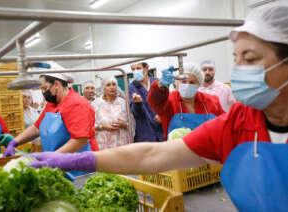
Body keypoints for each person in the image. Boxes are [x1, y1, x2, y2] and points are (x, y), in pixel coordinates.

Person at [28, 2, 288, 211]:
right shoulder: (240, 122)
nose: (239, 68)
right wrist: (80, 160)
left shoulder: (218, 107)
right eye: (236, 57)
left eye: (250, 58)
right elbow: (152, 155)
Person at [3, 65, 99, 175]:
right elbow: (36, 128)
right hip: (56, 165)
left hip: (77, 168)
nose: (42, 92)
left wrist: (52, 159)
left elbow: (79, 140)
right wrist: (15, 142)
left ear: (57, 84)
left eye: (44, 88)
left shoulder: (77, 104)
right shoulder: (52, 103)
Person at [148, 62, 225, 138]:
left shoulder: (212, 101)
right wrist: (161, 85)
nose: (187, 85)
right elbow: (154, 100)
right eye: (184, 81)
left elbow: (225, 123)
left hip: (208, 149)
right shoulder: (169, 101)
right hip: (177, 149)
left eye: (192, 82)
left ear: (199, 84)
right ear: (177, 82)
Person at [92, 77, 130, 150]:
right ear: (103, 88)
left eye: (114, 84)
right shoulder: (96, 104)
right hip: (103, 144)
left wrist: (124, 125)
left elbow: (132, 123)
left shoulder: (123, 103)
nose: (112, 87)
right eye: (108, 85)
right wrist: (103, 127)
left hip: (122, 144)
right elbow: (89, 126)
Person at [129, 62, 164, 142]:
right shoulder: (132, 87)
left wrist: (163, 115)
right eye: (133, 70)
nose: (135, 72)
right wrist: (138, 103)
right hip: (145, 132)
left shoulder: (158, 82)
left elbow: (167, 103)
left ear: (147, 68)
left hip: (162, 130)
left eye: (138, 68)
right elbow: (135, 112)